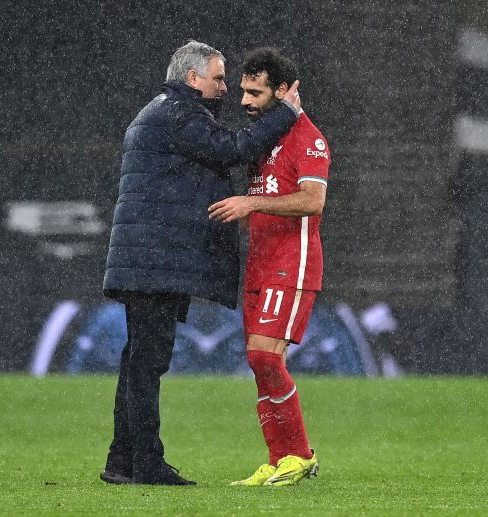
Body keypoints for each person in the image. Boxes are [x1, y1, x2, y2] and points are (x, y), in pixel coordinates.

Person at [101, 40, 302, 486]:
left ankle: (122, 460)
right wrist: (285, 113)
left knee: (138, 360)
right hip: (153, 262)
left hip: (147, 259)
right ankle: (146, 463)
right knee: (147, 363)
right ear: (192, 78)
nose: (225, 88)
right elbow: (232, 148)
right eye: (217, 78)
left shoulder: (159, 111)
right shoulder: (178, 113)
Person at [208, 47, 330, 486]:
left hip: (291, 263)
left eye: (255, 92)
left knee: (264, 356)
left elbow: (313, 201)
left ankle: (300, 454)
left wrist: (250, 202)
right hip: (259, 265)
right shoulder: (264, 140)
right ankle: (281, 460)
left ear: (283, 91)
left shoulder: (308, 138)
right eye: (242, 91)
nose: (244, 101)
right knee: (258, 362)